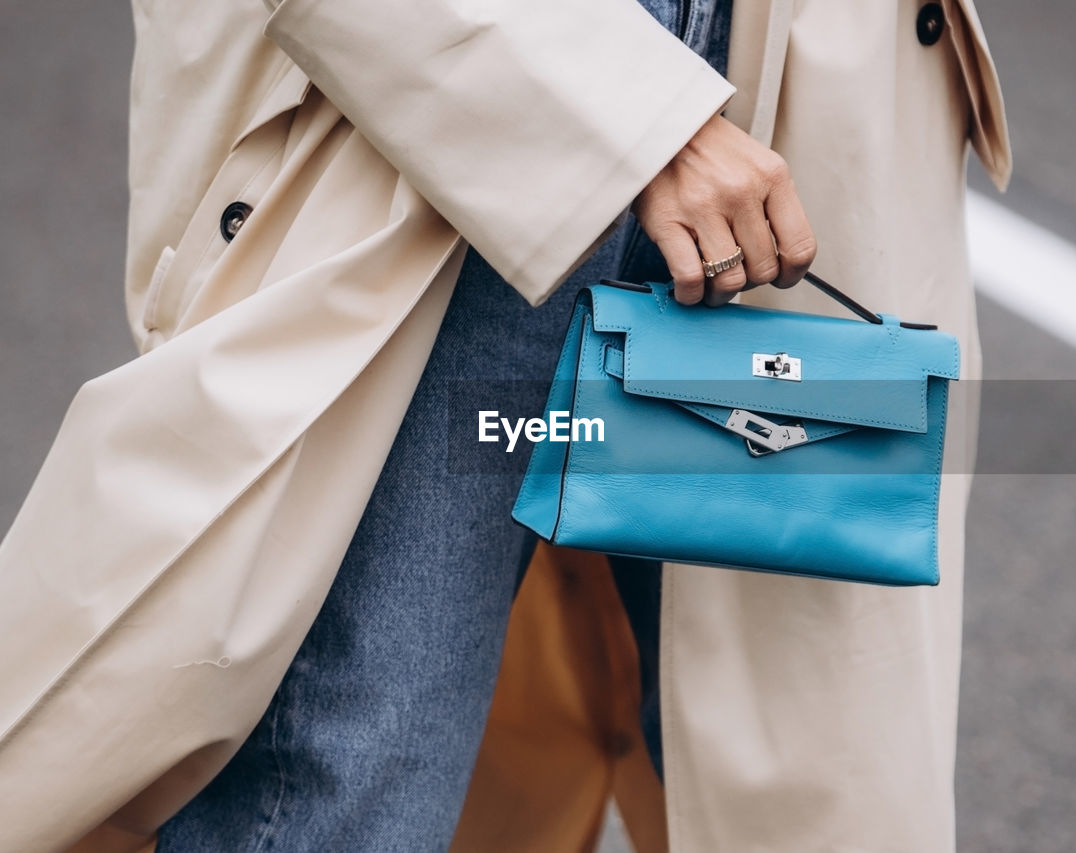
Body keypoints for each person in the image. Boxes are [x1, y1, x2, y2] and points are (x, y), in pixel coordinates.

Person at [0, 1, 1010, 851]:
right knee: (341, 771)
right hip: (452, 104)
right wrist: (632, 118)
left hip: (795, 110)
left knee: (809, 774)